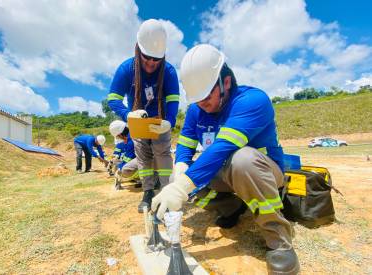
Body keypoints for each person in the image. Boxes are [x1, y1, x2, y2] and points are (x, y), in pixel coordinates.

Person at [151, 44, 300, 275]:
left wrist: (182, 187)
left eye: (207, 95)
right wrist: (180, 170)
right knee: (182, 174)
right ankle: (231, 206)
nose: (202, 104)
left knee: (242, 159)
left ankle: (278, 239)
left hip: (262, 173)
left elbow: (223, 148)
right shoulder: (195, 111)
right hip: (224, 173)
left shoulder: (253, 101)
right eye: (197, 99)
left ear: (226, 82)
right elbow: (185, 147)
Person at [107, 19, 180, 212]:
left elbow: (173, 101)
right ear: (138, 50)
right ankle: (148, 192)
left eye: (156, 59)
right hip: (138, 123)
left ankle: (167, 191)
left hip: (160, 123)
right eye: (147, 58)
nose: (151, 63)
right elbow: (113, 99)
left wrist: (169, 122)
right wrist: (128, 115)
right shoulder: (126, 69)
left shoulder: (169, 71)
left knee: (163, 156)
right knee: (143, 158)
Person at [109, 120, 139, 188]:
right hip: (156, 158)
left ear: (120, 134)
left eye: (117, 136)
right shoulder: (132, 133)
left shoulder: (130, 140)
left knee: (125, 170)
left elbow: (128, 158)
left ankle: (146, 178)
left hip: (150, 160)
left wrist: (119, 169)